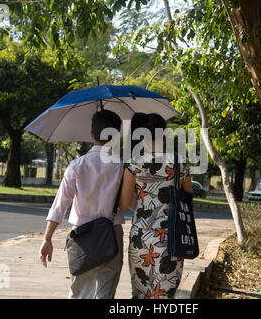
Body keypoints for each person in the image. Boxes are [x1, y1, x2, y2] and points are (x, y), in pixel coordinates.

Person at [39, 109, 124, 299]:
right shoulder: (123, 167)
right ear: (116, 136)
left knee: (79, 291)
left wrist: (47, 238)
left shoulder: (77, 166)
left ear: (92, 134)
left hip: (82, 235)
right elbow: (129, 203)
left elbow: (59, 205)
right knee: (106, 289)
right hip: (112, 233)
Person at [118, 113, 193, 299]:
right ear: (165, 134)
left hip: (140, 237)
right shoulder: (180, 163)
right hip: (171, 237)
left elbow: (124, 203)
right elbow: (188, 198)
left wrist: (143, 200)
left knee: (140, 292)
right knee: (164, 294)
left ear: (142, 136)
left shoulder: (133, 164)